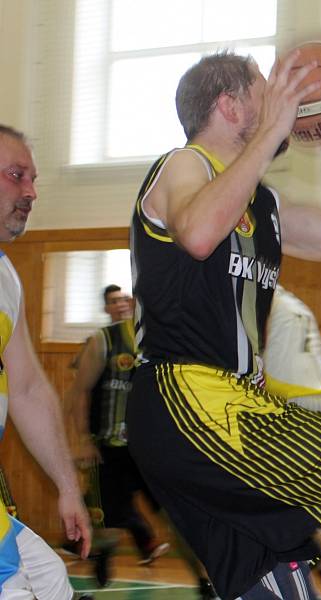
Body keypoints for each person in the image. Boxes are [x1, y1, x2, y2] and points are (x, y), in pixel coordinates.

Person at [127, 51, 321, 600]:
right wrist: (271, 132)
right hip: (189, 401)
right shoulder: (184, 164)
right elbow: (198, 234)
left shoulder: (262, 204)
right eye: (266, 94)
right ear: (229, 106)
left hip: (232, 410)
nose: (283, 106)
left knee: (278, 588)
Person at [0, 124, 92, 598]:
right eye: (16, 175)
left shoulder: (6, 277)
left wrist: (68, 487)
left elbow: (29, 388)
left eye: (33, 179)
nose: (31, 191)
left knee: (52, 579)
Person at [66, 285, 172, 585]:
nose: (127, 305)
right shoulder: (104, 340)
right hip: (111, 447)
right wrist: (84, 439)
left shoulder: (163, 341)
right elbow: (79, 391)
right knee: (109, 519)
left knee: (174, 516)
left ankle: (205, 582)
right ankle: (102, 566)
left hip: (152, 450)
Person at [263, 285, 321, 600]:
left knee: (274, 508)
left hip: (291, 405)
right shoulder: (292, 301)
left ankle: (293, 586)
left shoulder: (256, 299)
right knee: (304, 510)